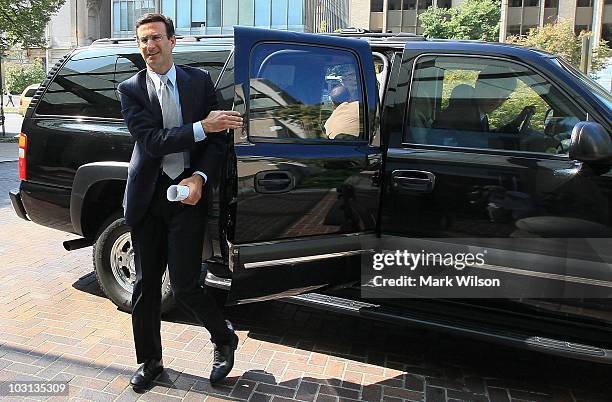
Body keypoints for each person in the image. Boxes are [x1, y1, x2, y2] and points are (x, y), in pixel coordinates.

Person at [117, 13, 243, 390]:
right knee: (146, 285)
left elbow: (219, 141)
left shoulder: (199, 81)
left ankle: (224, 338)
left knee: (187, 284)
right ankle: (150, 361)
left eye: (155, 38)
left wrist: (200, 177)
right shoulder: (131, 89)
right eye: (142, 41)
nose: (149, 46)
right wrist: (204, 126)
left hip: (188, 197)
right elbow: (152, 141)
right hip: (147, 198)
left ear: (173, 41)